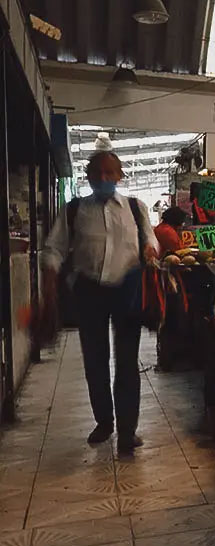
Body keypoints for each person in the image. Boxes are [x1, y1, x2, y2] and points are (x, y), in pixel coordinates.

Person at [42, 151, 159, 454]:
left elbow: (150, 238)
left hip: (128, 288)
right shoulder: (74, 210)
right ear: (88, 176)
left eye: (110, 173)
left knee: (127, 362)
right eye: (98, 174)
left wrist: (150, 250)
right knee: (95, 359)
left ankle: (127, 431)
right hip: (89, 290)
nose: (104, 179)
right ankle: (104, 422)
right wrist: (50, 273)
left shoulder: (135, 207)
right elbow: (54, 247)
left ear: (120, 175)